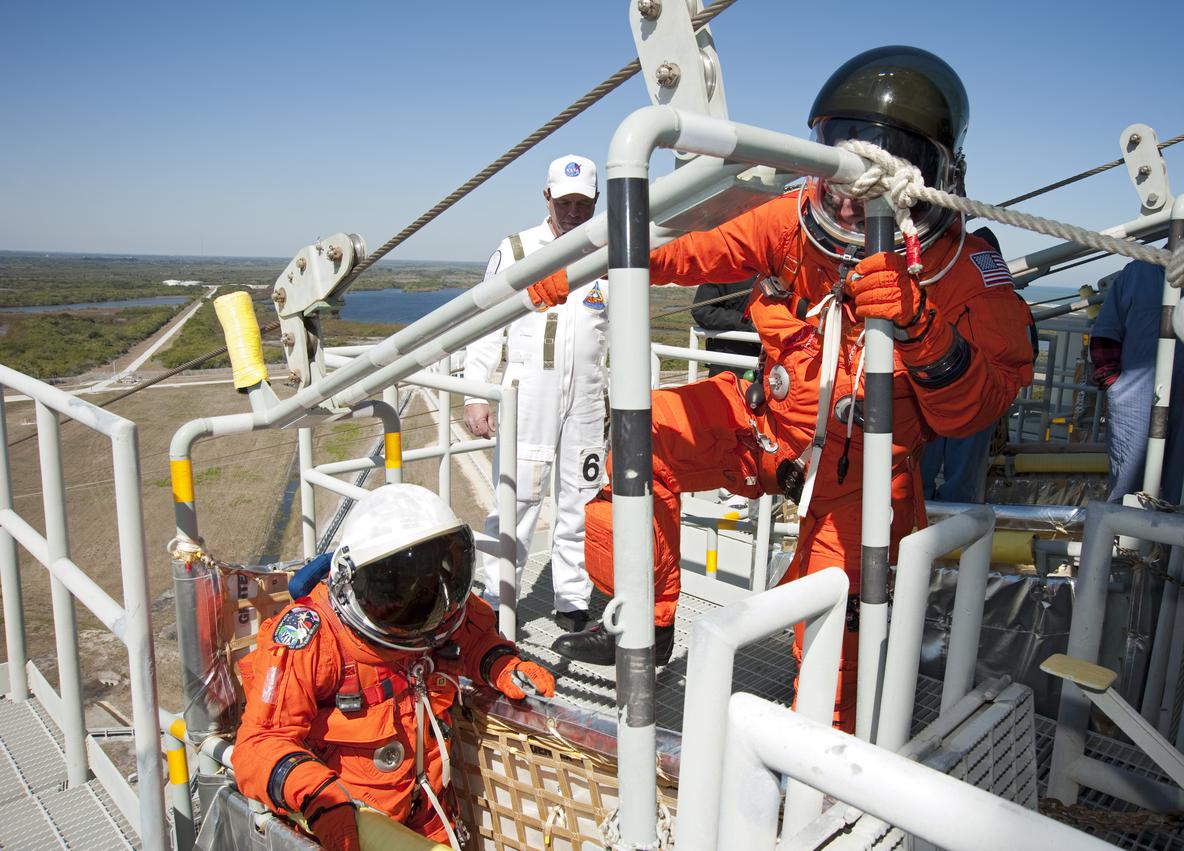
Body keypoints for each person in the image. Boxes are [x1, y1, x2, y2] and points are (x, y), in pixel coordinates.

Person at [544, 46, 1036, 733]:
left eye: (884, 160)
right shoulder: (793, 220)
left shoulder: (964, 271)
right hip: (767, 428)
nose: (850, 187)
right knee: (642, 432)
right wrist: (587, 260)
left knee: (835, 644)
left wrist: (920, 326)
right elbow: (699, 252)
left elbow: (977, 406)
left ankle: (817, 792)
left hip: (862, 481)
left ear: (935, 174)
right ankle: (648, 622)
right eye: (841, 155)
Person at [232, 484, 556, 851]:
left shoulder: (436, 603)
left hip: (433, 819)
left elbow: (473, 634)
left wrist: (499, 663)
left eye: (434, 579)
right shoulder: (313, 638)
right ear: (355, 585)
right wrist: (321, 799)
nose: (424, 616)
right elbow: (260, 743)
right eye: (398, 596)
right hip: (355, 828)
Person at [462, 155, 608, 632]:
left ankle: (571, 599)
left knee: (581, 500)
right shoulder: (518, 249)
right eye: (564, 201)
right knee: (517, 498)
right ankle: (496, 596)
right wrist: (476, 393)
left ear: (596, 201)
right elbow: (486, 325)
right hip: (529, 395)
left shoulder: (606, 249)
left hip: (587, 395)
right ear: (546, 197)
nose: (573, 211)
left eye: (582, 203)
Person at [1089, 198, 1184, 503]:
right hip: (1137, 402)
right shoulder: (1137, 272)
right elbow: (1106, 333)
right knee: (1128, 491)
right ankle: (1120, 548)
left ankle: (1177, 551)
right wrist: (1116, 386)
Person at [916, 226, 1009, 503]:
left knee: (921, 471)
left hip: (935, 388)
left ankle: (917, 527)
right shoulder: (1000, 295)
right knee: (963, 478)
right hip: (975, 393)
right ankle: (955, 533)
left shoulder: (941, 285)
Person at [691, 278, 761, 378]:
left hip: (775, 364)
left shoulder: (780, 269)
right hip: (731, 363)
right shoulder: (722, 268)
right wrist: (747, 323)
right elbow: (701, 310)